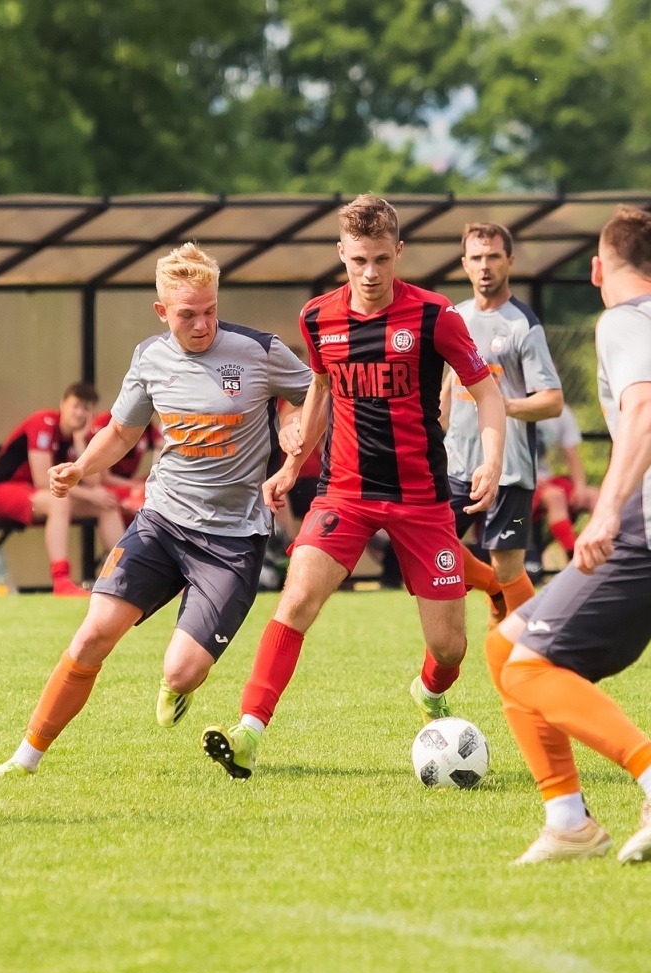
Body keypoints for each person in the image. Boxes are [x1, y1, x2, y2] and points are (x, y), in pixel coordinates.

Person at [0, 243, 309, 779]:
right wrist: (80, 467)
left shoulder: (257, 350)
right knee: (92, 633)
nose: (202, 325)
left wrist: (292, 428)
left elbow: (313, 393)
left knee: (181, 671)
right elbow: (122, 432)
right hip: (162, 523)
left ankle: (177, 685)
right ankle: (24, 759)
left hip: (232, 539)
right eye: (187, 314)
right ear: (161, 311)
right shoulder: (150, 358)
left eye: (210, 311)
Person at [201, 194, 507, 781]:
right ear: (342, 253)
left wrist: (491, 460)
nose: (370, 274)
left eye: (380, 261)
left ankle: (429, 692)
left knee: (450, 651)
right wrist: (293, 466)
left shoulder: (435, 316)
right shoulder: (318, 318)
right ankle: (248, 732)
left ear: (399, 252)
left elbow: (487, 391)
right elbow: (321, 390)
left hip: (422, 499)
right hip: (345, 492)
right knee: (295, 602)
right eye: (358, 261)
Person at [485, 206, 651, 866]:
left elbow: (648, 409)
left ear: (597, 270)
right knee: (505, 650)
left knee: (532, 668)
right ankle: (568, 820)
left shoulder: (625, 320)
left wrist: (609, 508)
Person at [444, 222, 564, 615]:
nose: (485, 266)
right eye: (476, 258)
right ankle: (493, 590)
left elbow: (552, 401)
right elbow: (446, 388)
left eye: (493, 256)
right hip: (456, 465)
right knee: (430, 543)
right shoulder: (454, 317)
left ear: (509, 261)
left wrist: (499, 404)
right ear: (464, 264)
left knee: (508, 566)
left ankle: (519, 649)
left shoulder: (522, 325)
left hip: (509, 469)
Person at [0, 382, 126, 596]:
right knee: (61, 501)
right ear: (63, 404)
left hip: (41, 496)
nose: (79, 413)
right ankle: (61, 580)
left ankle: (123, 576)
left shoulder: (81, 436)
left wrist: (79, 441)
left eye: (86, 408)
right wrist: (89, 495)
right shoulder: (44, 422)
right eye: (75, 406)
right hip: (2, 491)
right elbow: (42, 480)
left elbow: (94, 482)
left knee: (107, 504)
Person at [535, 405, 599, 560]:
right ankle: (576, 557)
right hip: (517, 481)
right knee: (555, 497)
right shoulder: (510, 404)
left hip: (547, 480)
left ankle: (596, 550)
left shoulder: (561, 411)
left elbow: (572, 456)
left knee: (596, 497)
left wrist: (580, 487)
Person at [88, 409, 161, 522]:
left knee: (159, 484)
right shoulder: (106, 423)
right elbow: (104, 478)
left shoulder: (147, 426)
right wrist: (135, 486)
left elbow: (171, 446)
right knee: (144, 494)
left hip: (128, 483)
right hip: (108, 486)